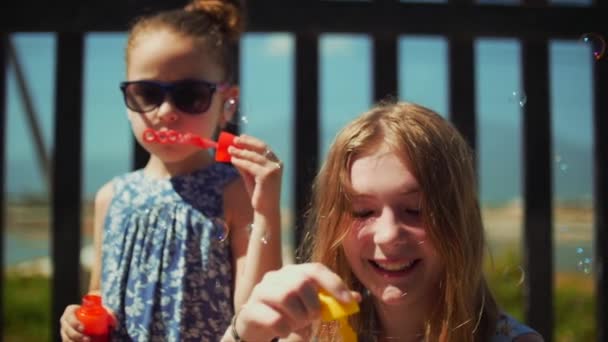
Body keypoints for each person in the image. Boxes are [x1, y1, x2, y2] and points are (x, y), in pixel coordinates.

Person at [222, 101, 543, 341]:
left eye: (415, 210)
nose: (388, 235)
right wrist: (242, 333)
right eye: (362, 212)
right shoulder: (314, 334)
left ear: (459, 219)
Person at [60, 1, 284, 341]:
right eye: (146, 93)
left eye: (190, 95)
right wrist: (79, 322)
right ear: (128, 101)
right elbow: (100, 298)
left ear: (228, 105)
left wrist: (266, 209)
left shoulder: (234, 193)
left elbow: (255, 311)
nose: (165, 111)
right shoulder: (111, 197)